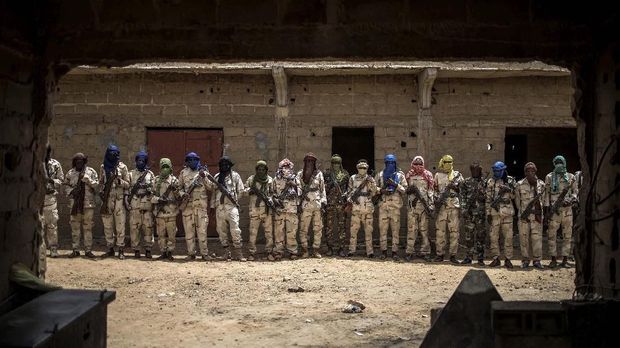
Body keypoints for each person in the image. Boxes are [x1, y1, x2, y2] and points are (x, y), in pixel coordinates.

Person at [544, 155, 578, 268]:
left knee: (567, 235)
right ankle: (553, 259)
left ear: (564, 163)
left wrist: (570, 200)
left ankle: (565, 259)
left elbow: (575, 192)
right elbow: (546, 195)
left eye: (561, 162)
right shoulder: (549, 177)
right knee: (551, 234)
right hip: (554, 211)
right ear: (554, 163)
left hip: (567, 211)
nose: (559, 164)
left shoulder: (571, 177)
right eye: (557, 162)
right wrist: (548, 210)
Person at [178, 152, 213, 261]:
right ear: (187, 162)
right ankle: (191, 253)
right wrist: (183, 194)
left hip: (201, 208)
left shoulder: (203, 173)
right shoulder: (183, 173)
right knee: (189, 232)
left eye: (194, 159)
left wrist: (204, 177)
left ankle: (204, 253)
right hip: (188, 207)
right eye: (190, 160)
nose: (192, 162)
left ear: (198, 160)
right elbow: (178, 188)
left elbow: (211, 187)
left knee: (202, 232)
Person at [211, 156, 246, 261]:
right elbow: (213, 192)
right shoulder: (217, 177)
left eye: (226, 164)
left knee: (235, 230)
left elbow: (241, 190)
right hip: (220, 207)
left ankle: (239, 253)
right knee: (221, 231)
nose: (224, 166)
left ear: (230, 165)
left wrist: (233, 198)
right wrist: (212, 207)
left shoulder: (235, 176)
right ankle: (226, 253)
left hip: (231, 207)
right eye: (222, 164)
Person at [64, 153, 98, 258]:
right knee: (75, 228)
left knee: (88, 228)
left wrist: (87, 179)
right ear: (74, 162)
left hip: (88, 204)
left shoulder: (91, 172)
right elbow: (65, 186)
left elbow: (96, 185)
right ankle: (76, 250)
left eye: (81, 161)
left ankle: (88, 250)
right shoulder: (70, 173)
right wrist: (71, 191)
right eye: (77, 161)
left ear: (84, 162)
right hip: (75, 205)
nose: (79, 163)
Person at [99, 144, 130, 259]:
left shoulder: (123, 167)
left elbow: (128, 184)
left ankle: (121, 249)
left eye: (116, 154)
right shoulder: (103, 167)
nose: (114, 156)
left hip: (119, 200)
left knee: (120, 225)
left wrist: (119, 182)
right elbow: (101, 182)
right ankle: (110, 248)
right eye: (111, 153)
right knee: (107, 225)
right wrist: (102, 192)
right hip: (107, 200)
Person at [375, 154, 407, 260]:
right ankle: (383, 251)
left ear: (395, 163)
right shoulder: (380, 175)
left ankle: (394, 252)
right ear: (385, 163)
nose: (390, 165)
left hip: (395, 207)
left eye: (392, 163)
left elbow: (404, 190)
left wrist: (395, 185)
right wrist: (382, 190)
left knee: (395, 231)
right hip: (383, 207)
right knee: (383, 230)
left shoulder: (400, 175)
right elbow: (374, 188)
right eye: (388, 163)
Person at [485, 161, 517, 268]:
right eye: (494, 171)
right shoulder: (491, 181)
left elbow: (515, 196)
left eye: (498, 171)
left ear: (503, 170)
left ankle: (508, 259)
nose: (496, 173)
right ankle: (496, 258)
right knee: (493, 237)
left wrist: (509, 189)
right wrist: (488, 213)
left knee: (508, 237)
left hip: (507, 212)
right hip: (495, 213)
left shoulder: (510, 180)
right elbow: (488, 199)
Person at [433, 155, 464, 264]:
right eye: (446, 162)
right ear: (442, 162)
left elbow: (463, 190)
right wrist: (437, 199)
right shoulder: (438, 175)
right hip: (442, 207)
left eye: (450, 162)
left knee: (454, 232)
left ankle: (453, 255)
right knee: (440, 232)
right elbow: (434, 189)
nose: (448, 164)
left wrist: (454, 187)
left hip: (453, 207)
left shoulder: (457, 175)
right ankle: (440, 254)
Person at [245, 160, 278, 261]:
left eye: (263, 169)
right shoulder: (251, 179)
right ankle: (251, 253)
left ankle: (269, 251)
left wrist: (270, 199)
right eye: (259, 169)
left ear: (266, 170)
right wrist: (251, 191)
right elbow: (244, 190)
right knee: (252, 233)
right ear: (256, 170)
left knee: (269, 233)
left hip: (266, 211)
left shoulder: (270, 180)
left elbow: (274, 193)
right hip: (254, 210)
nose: (261, 171)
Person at [296, 153, 327, 258]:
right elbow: (298, 188)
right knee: (304, 228)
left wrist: (323, 202)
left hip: (317, 205)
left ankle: (316, 250)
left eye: (312, 161)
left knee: (318, 228)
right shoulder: (300, 174)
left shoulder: (319, 174)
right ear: (305, 162)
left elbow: (322, 189)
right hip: (306, 204)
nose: (310, 163)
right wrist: (299, 202)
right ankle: (304, 249)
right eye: (308, 161)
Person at [515, 162, 545, 269]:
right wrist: (523, 212)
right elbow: (518, 202)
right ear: (525, 172)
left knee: (537, 238)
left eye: (532, 171)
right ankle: (525, 260)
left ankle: (537, 260)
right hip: (524, 216)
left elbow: (544, 200)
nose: (530, 173)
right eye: (528, 171)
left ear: (535, 171)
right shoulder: (519, 184)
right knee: (524, 239)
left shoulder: (541, 184)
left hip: (536, 216)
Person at [404, 156, 434, 261]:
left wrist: (430, 206)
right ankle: (409, 252)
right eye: (415, 164)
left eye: (420, 164)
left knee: (424, 230)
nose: (418, 166)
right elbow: (405, 189)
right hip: (412, 207)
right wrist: (410, 191)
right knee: (411, 230)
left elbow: (430, 191)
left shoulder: (428, 175)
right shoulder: (409, 175)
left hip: (423, 208)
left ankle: (425, 252)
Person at [347, 159, 378, 257]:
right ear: (357, 168)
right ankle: (351, 250)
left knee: (368, 231)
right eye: (360, 168)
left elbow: (374, 192)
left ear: (367, 168)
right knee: (353, 231)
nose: (362, 169)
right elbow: (349, 191)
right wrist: (351, 199)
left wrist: (370, 184)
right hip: (356, 208)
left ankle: (370, 252)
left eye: (364, 168)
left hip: (367, 208)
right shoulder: (352, 178)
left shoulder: (370, 179)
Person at [127, 151, 155, 258]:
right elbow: (128, 189)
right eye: (139, 161)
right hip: (134, 205)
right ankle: (136, 250)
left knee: (148, 229)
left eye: (143, 161)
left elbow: (153, 189)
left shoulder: (150, 174)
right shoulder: (131, 174)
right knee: (134, 229)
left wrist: (147, 189)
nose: (141, 163)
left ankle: (148, 250)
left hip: (146, 206)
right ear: (136, 161)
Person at [151, 158, 181, 261]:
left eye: (167, 167)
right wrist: (159, 200)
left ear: (170, 168)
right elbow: (150, 197)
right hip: (160, 213)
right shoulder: (156, 180)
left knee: (172, 235)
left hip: (171, 213)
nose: (165, 169)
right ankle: (163, 252)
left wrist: (176, 191)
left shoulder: (174, 181)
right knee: (161, 235)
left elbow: (179, 196)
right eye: (163, 167)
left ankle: (170, 252)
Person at [273, 158, 301, 260]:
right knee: (278, 232)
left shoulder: (295, 179)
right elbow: (271, 193)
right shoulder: (276, 179)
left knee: (292, 232)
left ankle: (293, 251)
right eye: (284, 167)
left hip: (292, 209)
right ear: (280, 168)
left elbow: (301, 192)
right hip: (280, 210)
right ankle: (278, 251)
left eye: (288, 167)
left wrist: (294, 186)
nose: (286, 169)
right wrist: (275, 200)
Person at [323, 154, 350, 257]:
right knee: (329, 227)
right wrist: (330, 185)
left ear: (340, 163)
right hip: (330, 204)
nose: (336, 165)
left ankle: (341, 248)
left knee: (341, 227)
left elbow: (349, 189)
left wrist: (345, 197)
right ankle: (330, 248)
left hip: (341, 204)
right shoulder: (327, 174)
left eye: (338, 163)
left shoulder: (345, 175)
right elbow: (323, 188)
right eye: (334, 163)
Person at [460, 161, 487, 265]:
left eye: (477, 170)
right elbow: (462, 196)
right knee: (469, 237)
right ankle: (468, 257)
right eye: (473, 170)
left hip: (480, 214)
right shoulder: (466, 182)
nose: (475, 172)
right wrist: (464, 209)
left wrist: (481, 193)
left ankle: (480, 258)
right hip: (469, 214)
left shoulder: (484, 182)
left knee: (481, 237)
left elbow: (487, 197)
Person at [42, 144, 64, 258]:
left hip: (50, 198)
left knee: (52, 225)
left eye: (47, 152)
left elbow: (61, 179)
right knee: (38, 225)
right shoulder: (36, 163)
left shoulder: (55, 164)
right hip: (37, 198)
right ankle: (39, 250)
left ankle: (53, 248)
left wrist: (51, 181)